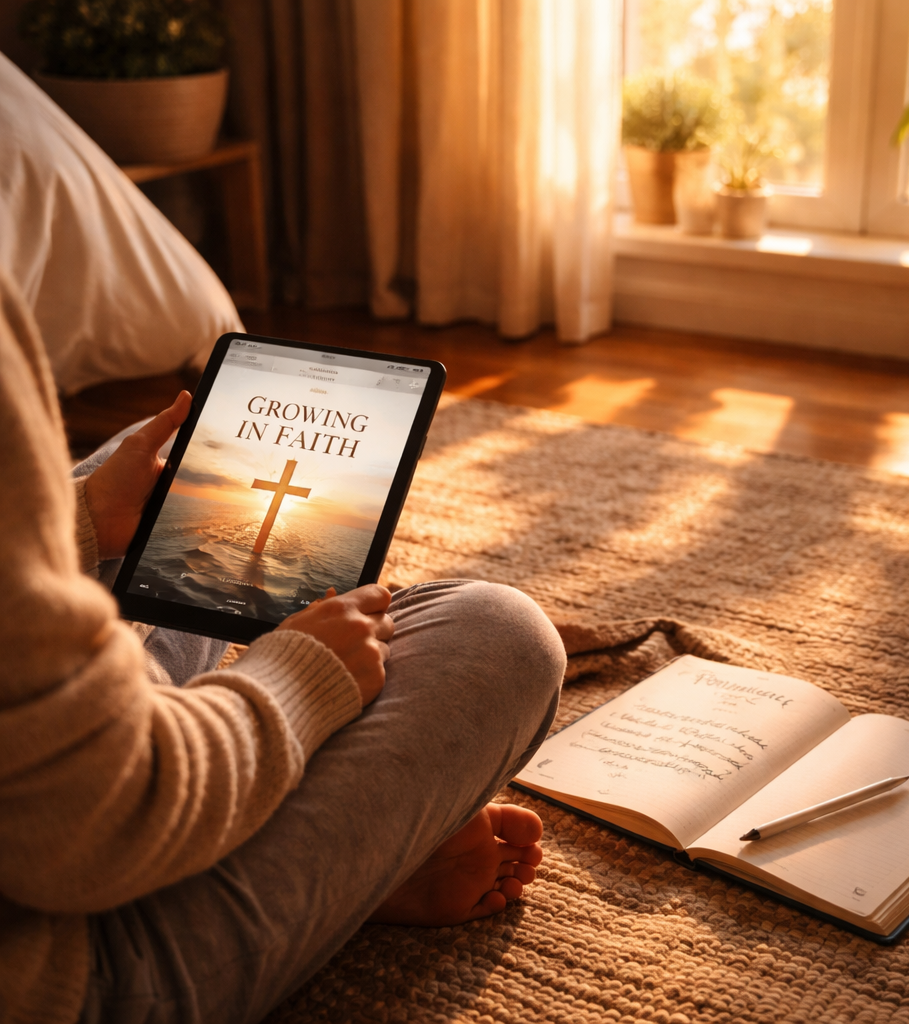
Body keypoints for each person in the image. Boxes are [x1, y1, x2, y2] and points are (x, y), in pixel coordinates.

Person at [0, 271, 566, 1024]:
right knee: (499, 632)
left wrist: (84, 523)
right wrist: (299, 679)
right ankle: (361, 862)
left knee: (149, 480)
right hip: (79, 964)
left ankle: (350, 852)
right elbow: (90, 829)